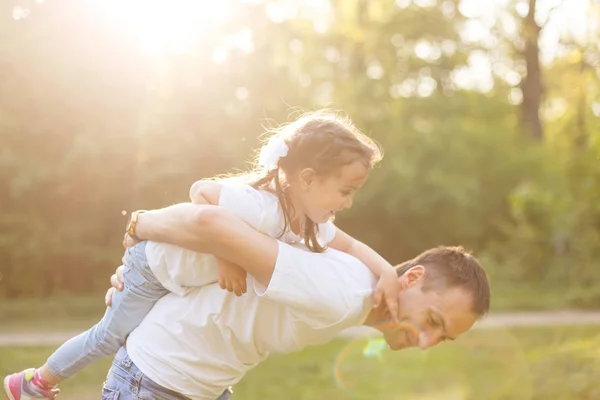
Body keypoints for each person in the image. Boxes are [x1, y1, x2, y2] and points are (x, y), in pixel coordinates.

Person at [4, 111, 404, 400]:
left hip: (179, 283)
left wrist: (386, 272)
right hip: (155, 267)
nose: (349, 203)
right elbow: (202, 192)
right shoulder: (262, 206)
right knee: (111, 334)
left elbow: (349, 246)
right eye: (346, 190)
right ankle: (35, 383)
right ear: (308, 179)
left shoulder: (310, 224)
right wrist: (225, 259)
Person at [97, 203, 491, 400]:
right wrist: (140, 226)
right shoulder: (339, 292)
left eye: (442, 338)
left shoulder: (354, 291)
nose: (425, 342)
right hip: (154, 383)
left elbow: (238, 266)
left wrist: (143, 285)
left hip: (202, 385)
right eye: (434, 322)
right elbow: (212, 224)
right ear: (413, 279)